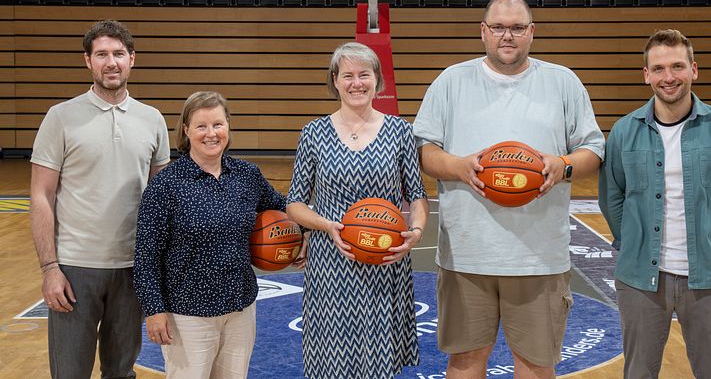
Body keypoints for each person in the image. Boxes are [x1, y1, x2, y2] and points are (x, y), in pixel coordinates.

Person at [413, 0, 605, 379]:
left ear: (531, 32)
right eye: (499, 27)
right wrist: (461, 167)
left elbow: (594, 149)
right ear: (483, 32)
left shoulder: (562, 81)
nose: (508, 36)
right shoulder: (452, 81)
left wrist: (562, 165)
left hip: (539, 256)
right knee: (465, 360)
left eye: (517, 28)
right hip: (466, 254)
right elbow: (423, 150)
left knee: (536, 363)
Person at [599, 29, 711, 379]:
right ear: (646, 74)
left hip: (710, 278)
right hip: (641, 280)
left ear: (694, 69)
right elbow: (612, 197)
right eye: (659, 68)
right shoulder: (623, 132)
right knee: (637, 373)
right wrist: (634, 240)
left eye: (677, 66)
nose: (669, 77)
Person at [29, 20, 171, 379]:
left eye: (119, 54)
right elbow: (41, 196)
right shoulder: (60, 117)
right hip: (75, 269)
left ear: (132, 59)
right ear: (88, 62)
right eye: (102, 54)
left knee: (121, 372)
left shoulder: (152, 119)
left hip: (133, 268)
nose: (111, 62)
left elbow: (162, 201)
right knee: (70, 372)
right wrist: (49, 269)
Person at [286, 42, 429, 379]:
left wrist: (417, 232)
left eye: (365, 75)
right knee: (332, 359)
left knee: (379, 361)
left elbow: (418, 195)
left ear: (378, 80)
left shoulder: (400, 131)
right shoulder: (314, 133)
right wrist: (327, 225)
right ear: (334, 80)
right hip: (332, 259)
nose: (356, 83)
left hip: (384, 256)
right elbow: (294, 203)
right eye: (347, 75)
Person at [134, 90, 288, 379]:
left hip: (240, 309)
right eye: (201, 126)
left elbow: (285, 208)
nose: (211, 134)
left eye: (218, 124)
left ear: (228, 126)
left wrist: (301, 238)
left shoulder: (247, 176)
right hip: (188, 315)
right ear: (186, 131)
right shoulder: (166, 185)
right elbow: (146, 257)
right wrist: (154, 309)